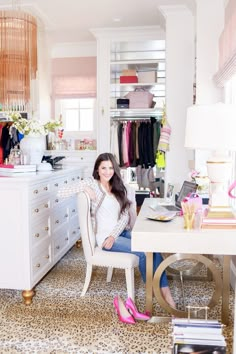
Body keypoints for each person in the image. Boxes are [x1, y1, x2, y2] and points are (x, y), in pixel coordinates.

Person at [58, 152, 175, 308]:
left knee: (152, 247)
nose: (107, 172)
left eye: (111, 168)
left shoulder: (118, 187)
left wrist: (114, 235)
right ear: (97, 170)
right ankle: (152, 289)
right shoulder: (93, 183)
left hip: (117, 234)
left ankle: (166, 293)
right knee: (142, 252)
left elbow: (124, 217)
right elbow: (60, 192)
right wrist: (84, 187)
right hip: (104, 238)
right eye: (103, 168)